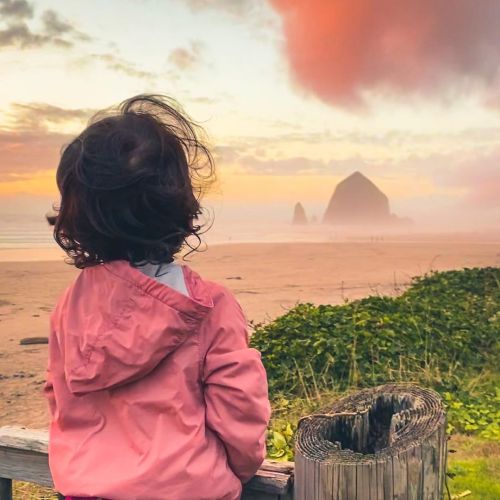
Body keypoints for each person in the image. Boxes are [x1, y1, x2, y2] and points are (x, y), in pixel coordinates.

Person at [44, 95, 271, 500]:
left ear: (78, 215)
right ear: (179, 202)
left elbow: (58, 400)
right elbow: (241, 413)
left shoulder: (69, 304)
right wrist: (225, 471)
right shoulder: (209, 307)